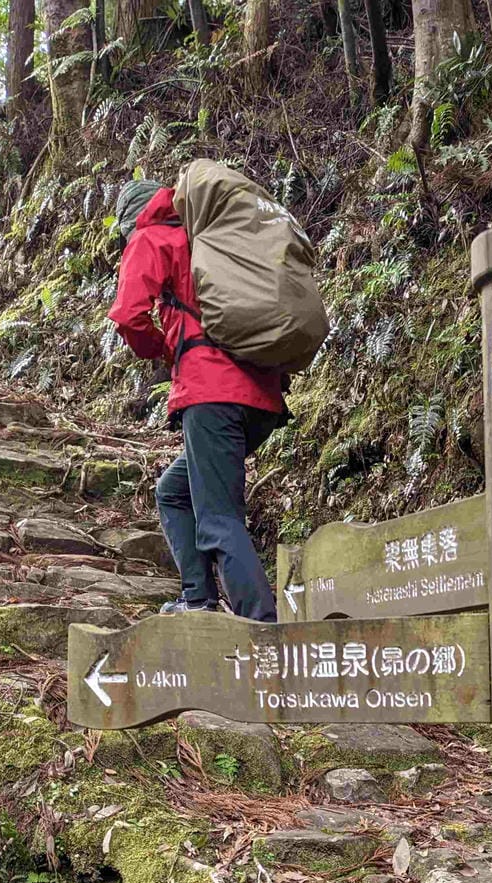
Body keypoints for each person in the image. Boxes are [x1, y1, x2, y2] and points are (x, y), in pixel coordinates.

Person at [108, 178, 284, 621]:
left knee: (219, 519)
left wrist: (164, 350)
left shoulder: (153, 237)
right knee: (173, 492)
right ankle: (198, 597)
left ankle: (263, 628)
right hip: (260, 392)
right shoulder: (209, 236)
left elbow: (129, 316)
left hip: (212, 393)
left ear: (132, 219)